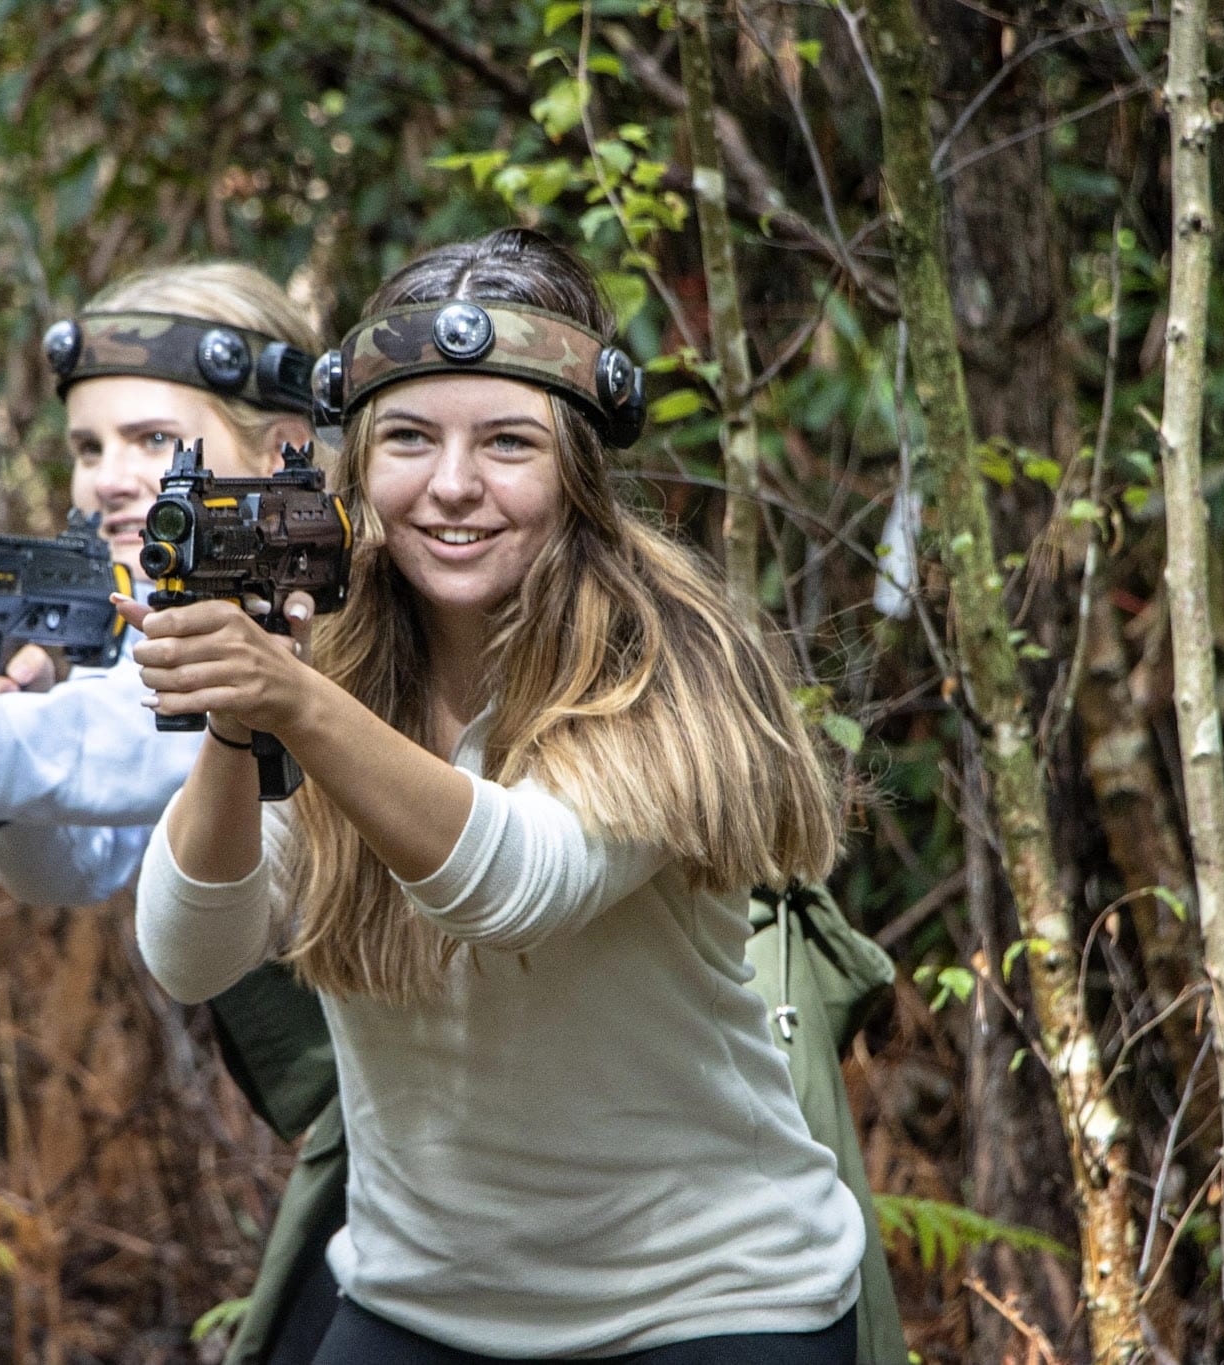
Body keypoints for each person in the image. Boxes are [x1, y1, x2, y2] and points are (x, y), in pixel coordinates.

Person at [128, 228, 867, 1363]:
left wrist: (292, 702)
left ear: (574, 471)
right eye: (410, 440)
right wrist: (236, 724)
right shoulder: (326, 653)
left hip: (709, 1301)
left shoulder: (663, 658)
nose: (452, 485)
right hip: (417, 1301)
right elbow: (191, 954)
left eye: (506, 443)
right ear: (360, 467)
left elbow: (514, 885)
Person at [0, 261, 347, 1359]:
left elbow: (114, 742)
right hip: (380, 1140)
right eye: (87, 447)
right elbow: (80, 862)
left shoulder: (329, 614)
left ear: (284, 444)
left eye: (152, 442)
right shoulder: (159, 620)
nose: (108, 478)